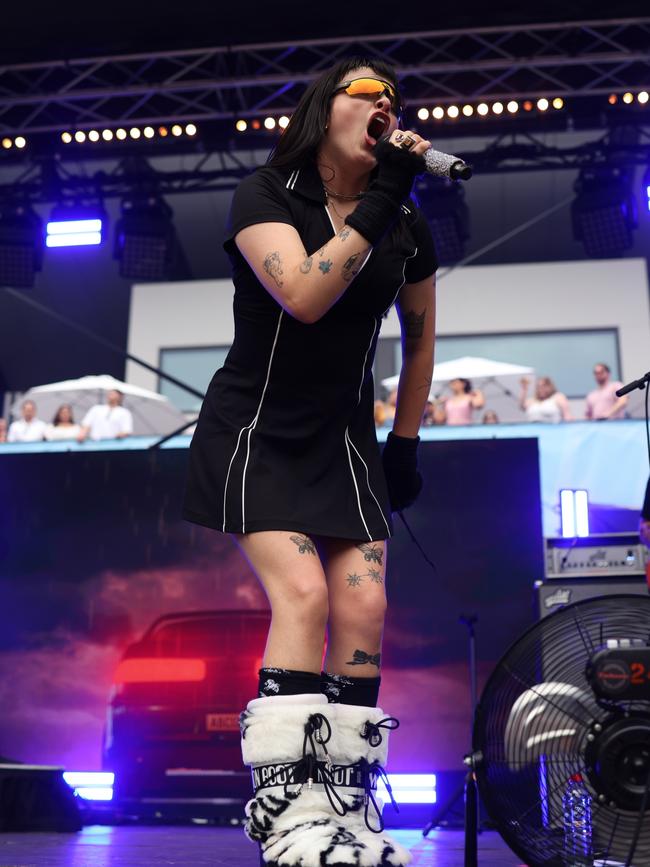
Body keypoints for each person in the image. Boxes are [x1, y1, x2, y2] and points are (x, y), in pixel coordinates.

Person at [182, 58, 437, 866]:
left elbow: (422, 335)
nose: (387, 107)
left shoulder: (406, 224)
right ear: (327, 109)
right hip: (255, 431)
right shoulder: (267, 195)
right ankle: (288, 814)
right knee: (303, 594)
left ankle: (347, 812)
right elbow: (302, 292)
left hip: (345, 439)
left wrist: (406, 440)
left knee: (364, 609)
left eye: (395, 99)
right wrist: (379, 202)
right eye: (370, 95)